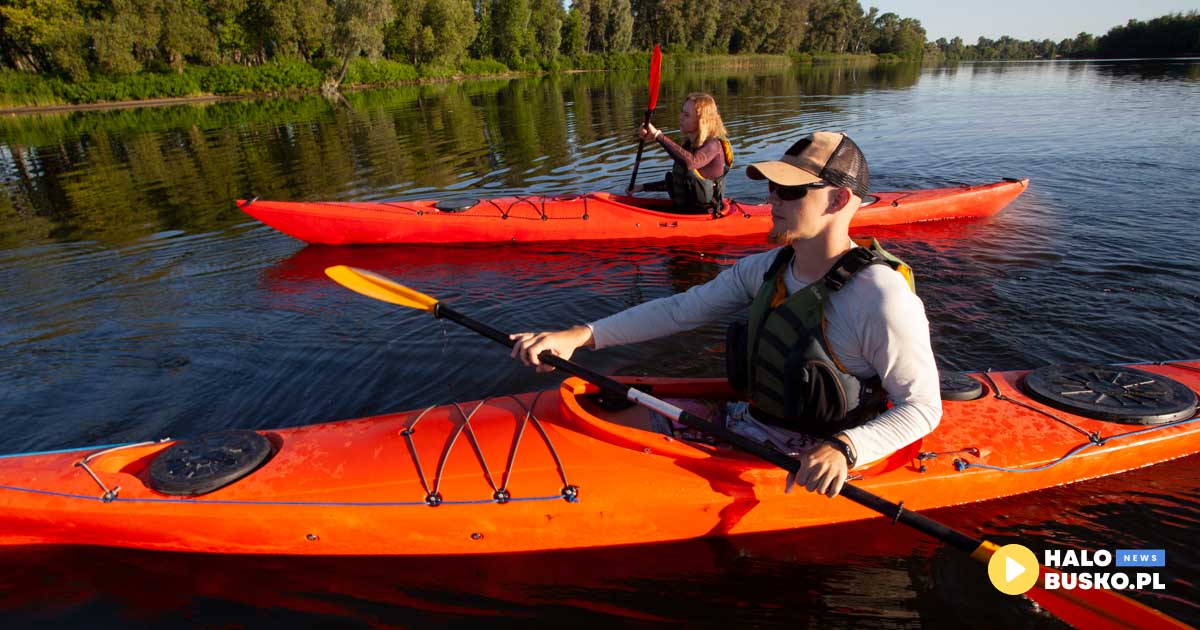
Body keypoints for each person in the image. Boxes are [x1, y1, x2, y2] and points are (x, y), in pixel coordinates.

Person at [512, 131, 942, 498]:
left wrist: (844, 449)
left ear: (839, 199)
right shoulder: (768, 267)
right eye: (772, 187)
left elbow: (922, 407)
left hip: (803, 458)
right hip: (746, 422)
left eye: (789, 191)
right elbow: (681, 309)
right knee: (607, 420)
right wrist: (578, 335)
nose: (771, 199)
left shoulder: (879, 295)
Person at [628, 92, 734, 214]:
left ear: (702, 121)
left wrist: (657, 135)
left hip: (706, 215)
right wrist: (642, 188)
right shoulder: (689, 146)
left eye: (687, 115)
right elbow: (678, 182)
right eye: (682, 112)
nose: (681, 117)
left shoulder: (713, 145)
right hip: (684, 212)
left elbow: (691, 163)